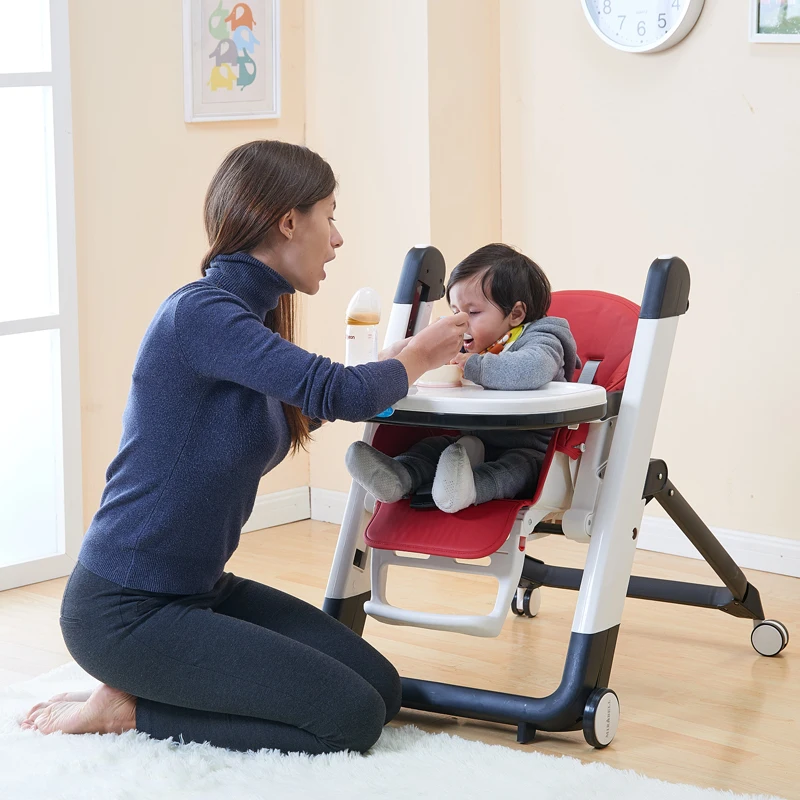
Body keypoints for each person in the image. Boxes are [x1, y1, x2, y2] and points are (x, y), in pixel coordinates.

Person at [20, 140, 468, 754]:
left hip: (198, 591)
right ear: (289, 221)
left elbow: (326, 395)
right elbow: (336, 390)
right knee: (350, 719)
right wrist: (419, 355)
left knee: (380, 689)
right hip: (124, 610)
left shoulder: (245, 323)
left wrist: (398, 366)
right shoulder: (201, 313)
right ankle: (128, 710)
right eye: (330, 215)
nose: (337, 239)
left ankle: (150, 691)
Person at [346, 244, 578, 514]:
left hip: (530, 450)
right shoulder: (471, 344)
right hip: (470, 444)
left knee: (516, 467)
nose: (461, 322)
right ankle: (399, 475)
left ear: (516, 314)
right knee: (434, 447)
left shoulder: (543, 337)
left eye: (474, 312)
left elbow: (532, 370)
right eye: (456, 311)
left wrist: (475, 366)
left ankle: (468, 489)